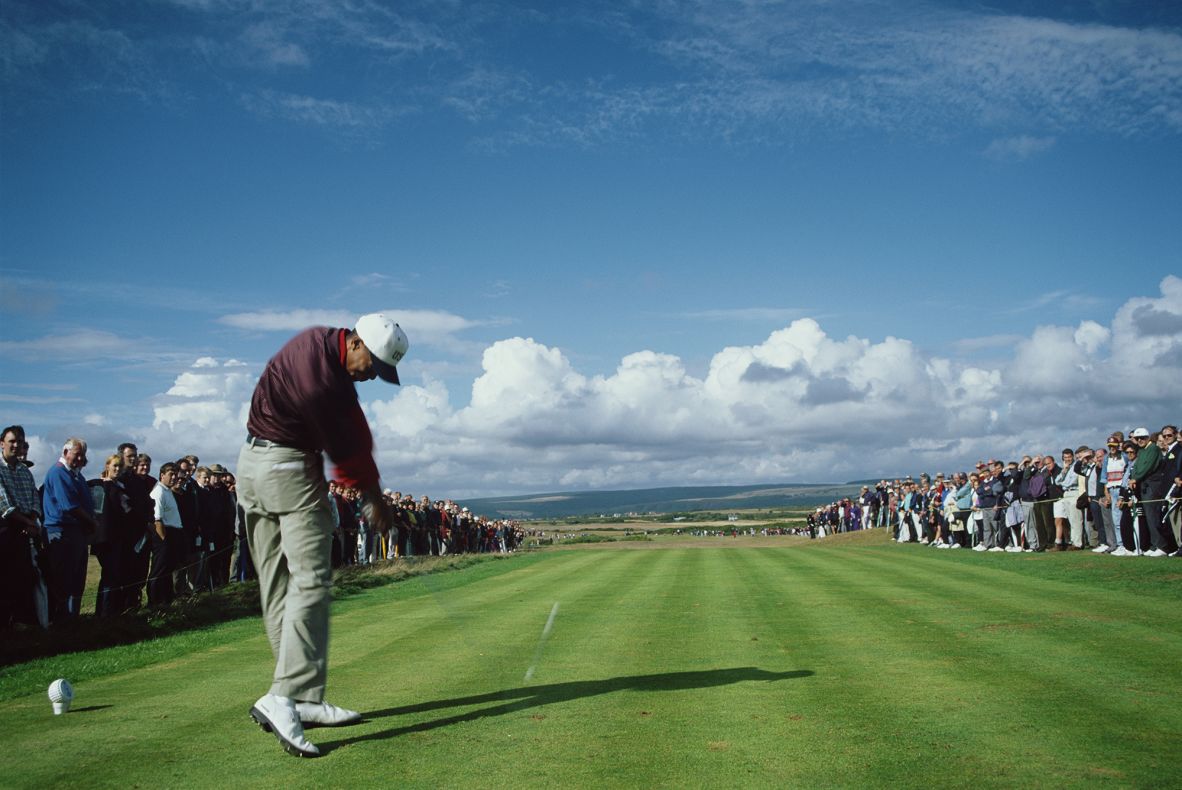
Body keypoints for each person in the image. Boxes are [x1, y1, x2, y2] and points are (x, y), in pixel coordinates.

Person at [238, 313, 406, 758]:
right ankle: (283, 696)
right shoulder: (327, 383)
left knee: (277, 587)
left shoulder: (315, 342)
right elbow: (348, 447)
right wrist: (374, 498)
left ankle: (303, 699)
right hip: (288, 469)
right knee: (312, 580)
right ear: (356, 343)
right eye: (373, 364)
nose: (372, 375)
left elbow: (350, 431)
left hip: (251, 466)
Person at [42, 438, 98, 620]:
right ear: (65, 452)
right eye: (77, 454)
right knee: (62, 578)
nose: (80, 458)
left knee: (76, 578)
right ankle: (59, 620)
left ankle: (72, 618)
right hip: (61, 531)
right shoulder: (58, 473)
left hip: (77, 532)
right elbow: (69, 506)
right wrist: (92, 522)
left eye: (83, 454)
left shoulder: (77, 475)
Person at [0, 425, 43, 628]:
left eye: (20, 441)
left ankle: (21, 620)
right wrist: (27, 522)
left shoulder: (25, 470)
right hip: (6, 527)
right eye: (12, 441)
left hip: (27, 527)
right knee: (5, 576)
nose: (16, 445)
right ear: (2, 444)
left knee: (24, 576)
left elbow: (34, 498)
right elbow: (5, 504)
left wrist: (33, 520)